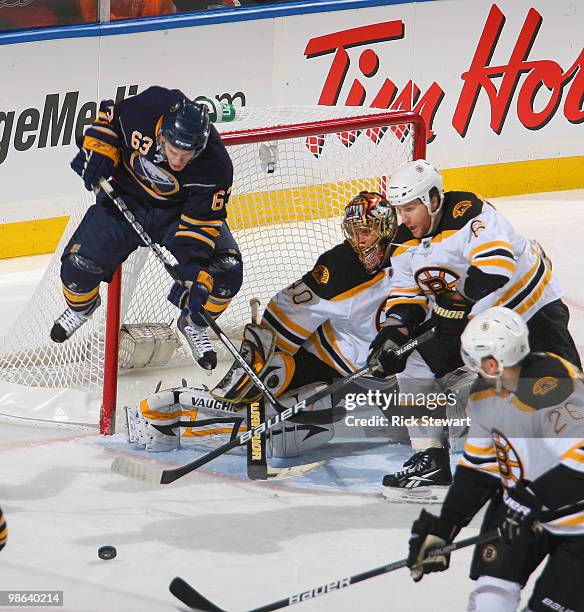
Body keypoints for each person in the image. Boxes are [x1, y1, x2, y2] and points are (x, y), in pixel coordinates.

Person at [128, 191, 405, 453]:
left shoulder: (410, 256)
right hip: (329, 367)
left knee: (427, 431)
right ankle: (173, 411)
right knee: (294, 425)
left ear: (386, 232)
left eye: (365, 232)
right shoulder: (339, 267)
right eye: (354, 232)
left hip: (389, 375)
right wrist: (263, 357)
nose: (358, 241)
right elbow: (288, 311)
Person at [367, 159, 581, 495]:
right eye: (399, 209)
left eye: (409, 208)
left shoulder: (469, 212)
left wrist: (456, 300)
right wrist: (395, 331)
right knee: (412, 362)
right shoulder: (404, 239)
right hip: (478, 323)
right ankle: (430, 459)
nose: (403, 218)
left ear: (432, 200)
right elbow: (407, 292)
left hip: (531, 309)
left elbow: (496, 267)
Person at [50, 86, 242, 371]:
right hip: (125, 201)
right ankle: (82, 308)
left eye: (186, 155)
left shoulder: (216, 166)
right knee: (78, 268)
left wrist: (193, 271)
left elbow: (201, 223)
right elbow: (108, 122)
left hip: (177, 214)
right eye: (174, 151)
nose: (178, 161)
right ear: (162, 135)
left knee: (225, 271)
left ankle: (193, 324)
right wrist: (100, 151)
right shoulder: (147, 108)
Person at [406, 306, 584, 612]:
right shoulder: (484, 397)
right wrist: (444, 528)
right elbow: (479, 470)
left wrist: (529, 503)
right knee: (490, 600)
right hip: (519, 509)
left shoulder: (555, 385)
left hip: (575, 524)